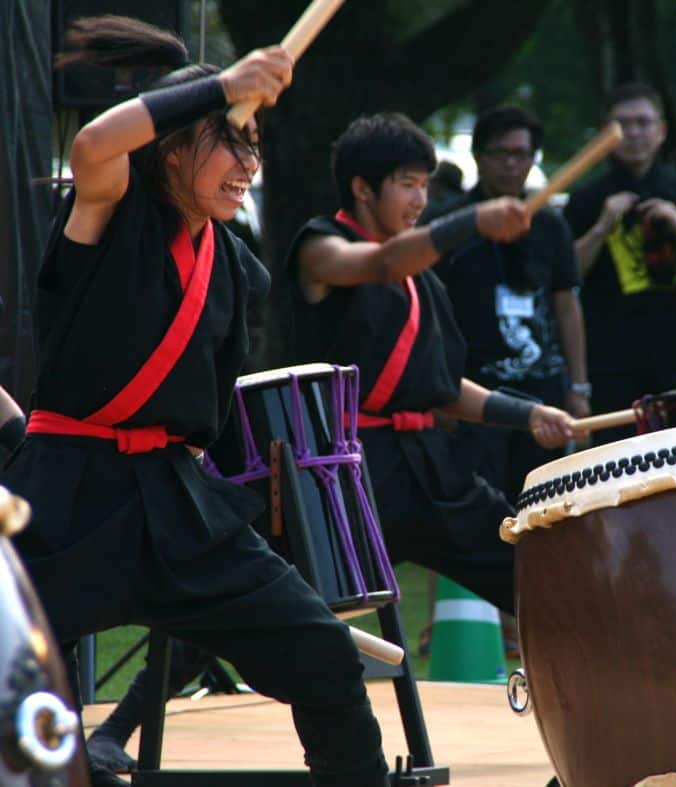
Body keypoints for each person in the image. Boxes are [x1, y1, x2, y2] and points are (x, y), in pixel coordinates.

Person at [1, 16, 389, 787]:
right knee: (21, 692)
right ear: (172, 148)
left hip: (180, 508)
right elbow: (92, 147)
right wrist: (225, 85)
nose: (248, 166)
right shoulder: (108, 215)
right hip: (71, 494)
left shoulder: (239, 270)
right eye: (229, 143)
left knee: (326, 658)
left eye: (251, 147)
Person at [279, 112, 580, 617]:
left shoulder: (424, 282)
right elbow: (380, 263)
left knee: (541, 580)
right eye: (407, 185)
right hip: (344, 474)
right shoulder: (320, 245)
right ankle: (149, 694)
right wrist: (474, 220)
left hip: (430, 468)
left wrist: (526, 413)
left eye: (424, 185)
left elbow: (439, 388)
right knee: (276, 609)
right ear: (363, 189)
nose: (420, 199)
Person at [428, 105, 589, 504]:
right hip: (474, 396)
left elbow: (566, 305)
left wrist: (579, 386)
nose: (512, 164)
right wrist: (437, 392)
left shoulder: (550, 224)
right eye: (501, 153)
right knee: (485, 513)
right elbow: (429, 312)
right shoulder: (447, 224)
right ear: (479, 157)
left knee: (545, 508)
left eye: (522, 154)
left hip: (543, 392)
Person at [562, 82, 676, 444]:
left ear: (661, 131)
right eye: (623, 124)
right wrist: (601, 229)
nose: (634, 133)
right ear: (605, 134)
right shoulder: (585, 200)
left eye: (643, 122)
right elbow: (562, 278)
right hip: (611, 366)